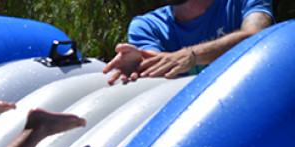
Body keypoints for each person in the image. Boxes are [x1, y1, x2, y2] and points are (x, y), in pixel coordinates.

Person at [103, 0, 274, 85]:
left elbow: (258, 36)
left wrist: (192, 56)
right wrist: (140, 63)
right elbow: (159, 62)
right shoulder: (146, 26)